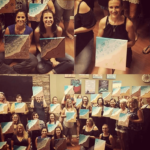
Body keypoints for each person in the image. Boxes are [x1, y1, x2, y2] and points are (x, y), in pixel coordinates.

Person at [97, 0, 135, 74]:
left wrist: (117, 45)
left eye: (117, 7)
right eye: (111, 7)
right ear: (108, 8)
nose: (114, 10)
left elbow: (132, 42)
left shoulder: (129, 24)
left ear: (122, 8)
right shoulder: (102, 22)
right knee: (101, 79)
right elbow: (99, 38)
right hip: (108, 52)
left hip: (123, 53)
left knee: (119, 82)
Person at [34, 9, 74, 74]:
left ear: (53, 19)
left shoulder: (59, 30)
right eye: (46, 18)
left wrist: (53, 58)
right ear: (42, 19)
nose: (48, 20)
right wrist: (45, 54)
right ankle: (60, 65)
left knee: (73, 61)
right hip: (43, 52)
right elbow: (37, 43)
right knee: (40, 68)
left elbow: (57, 45)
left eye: (50, 17)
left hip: (55, 51)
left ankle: (53, 71)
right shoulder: (37, 31)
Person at [0, 10, 38, 74]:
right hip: (10, 53)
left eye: (23, 17)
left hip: (21, 54)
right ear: (15, 19)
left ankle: (11, 69)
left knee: (34, 61)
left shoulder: (30, 30)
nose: (20, 19)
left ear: (25, 19)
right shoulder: (8, 29)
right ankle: (12, 71)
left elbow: (28, 47)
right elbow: (4, 46)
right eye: (18, 17)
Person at [74, 0, 96, 74]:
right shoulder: (60, 4)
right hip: (71, 39)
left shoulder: (82, 5)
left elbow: (92, 25)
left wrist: (75, 31)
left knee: (79, 72)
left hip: (83, 39)